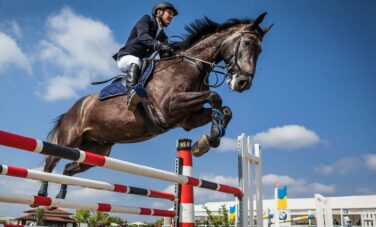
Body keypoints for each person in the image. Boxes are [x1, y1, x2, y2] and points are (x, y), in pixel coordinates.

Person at [113, 2, 178, 111]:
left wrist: (173, 53)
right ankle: (131, 93)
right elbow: (142, 36)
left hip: (142, 63)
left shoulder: (163, 37)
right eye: (169, 13)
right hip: (126, 57)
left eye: (172, 15)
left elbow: (165, 57)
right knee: (136, 61)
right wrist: (159, 45)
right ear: (159, 12)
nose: (171, 16)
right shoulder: (146, 19)